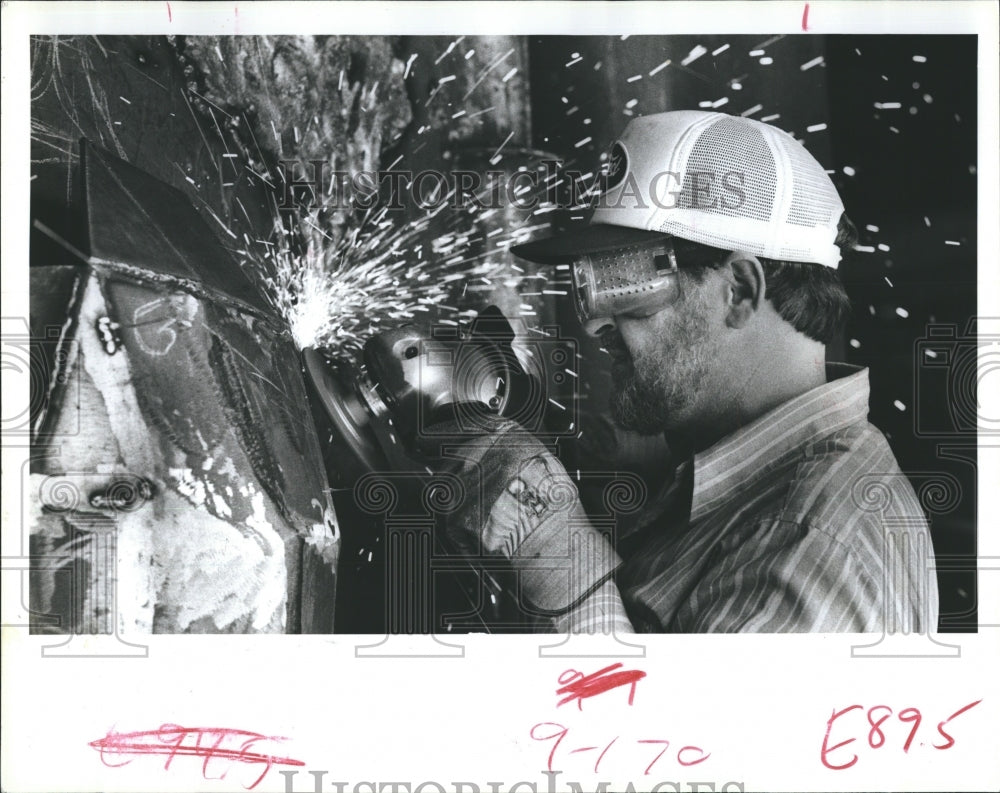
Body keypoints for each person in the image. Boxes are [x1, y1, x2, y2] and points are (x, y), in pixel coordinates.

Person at [431, 110, 939, 633]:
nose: (595, 323)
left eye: (625, 285)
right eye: (592, 287)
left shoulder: (812, 549)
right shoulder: (727, 479)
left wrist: (552, 548)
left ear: (739, 290)